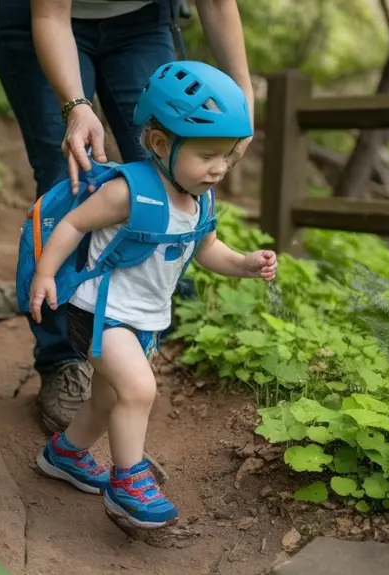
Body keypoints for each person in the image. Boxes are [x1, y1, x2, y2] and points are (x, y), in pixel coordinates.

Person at [26, 60, 277, 528]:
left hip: (143, 319)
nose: (220, 168)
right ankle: (128, 482)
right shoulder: (129, 191)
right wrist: (45, 271)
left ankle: (65, 455)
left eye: (227, 155)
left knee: (107, 399)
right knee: (138, 389)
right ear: (162, 145)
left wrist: (242, 263)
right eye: (208, 155)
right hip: (100, 312)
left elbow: (207, 248)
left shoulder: (199, 196)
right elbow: (74, 223)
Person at [0, 0, 255, 433]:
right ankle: (65, 360)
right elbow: (49, 14)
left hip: (143, 25)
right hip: (44, 20)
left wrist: (244, 101)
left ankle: (133, 343)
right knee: (70, 176)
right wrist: (75, 107)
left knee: (172, 176)